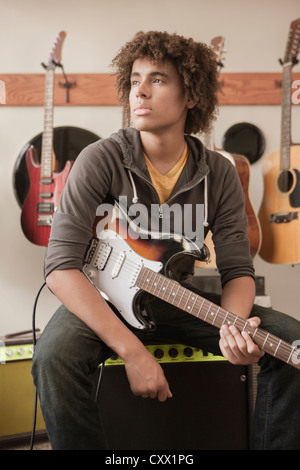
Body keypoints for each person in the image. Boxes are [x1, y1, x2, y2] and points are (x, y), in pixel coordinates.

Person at [32, 31, 300, 450]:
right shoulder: (100, 158)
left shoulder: (219, 173)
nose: (140, 89)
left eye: (157, 79)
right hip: (99, 300)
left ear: (190, 95)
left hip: (174, 298)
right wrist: (133, 352)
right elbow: (60, 268)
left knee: (289, 344)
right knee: (52, 358)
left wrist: (232, 327)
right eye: (135, 78)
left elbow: (238, 270)